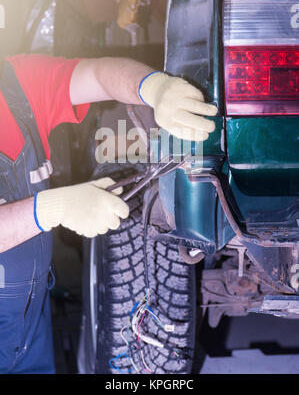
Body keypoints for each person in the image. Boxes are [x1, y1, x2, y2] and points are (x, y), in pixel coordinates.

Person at [0, 53, 217, 373]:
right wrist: (51, 208)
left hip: (31, 317)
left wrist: (154, 88)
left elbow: (99, 74)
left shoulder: (15, 84)